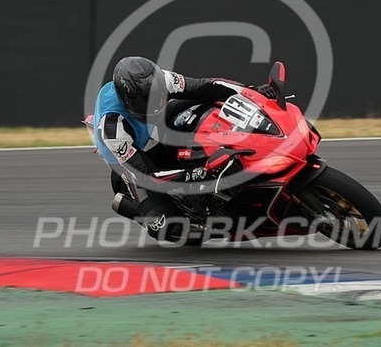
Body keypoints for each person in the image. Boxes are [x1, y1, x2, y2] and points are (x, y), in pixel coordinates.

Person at [92, 56, 276, 242]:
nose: (154, 102)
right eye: (146, 100)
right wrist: (193, 174)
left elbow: (207, 85)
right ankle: (136, 206)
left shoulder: (160, 80)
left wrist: (251, 91)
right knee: (163, 227)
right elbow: (147, 175)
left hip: (154, 122)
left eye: (157, 95)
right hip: (132, 161)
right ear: (128, 100)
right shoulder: (112, 129)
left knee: (205, 99)